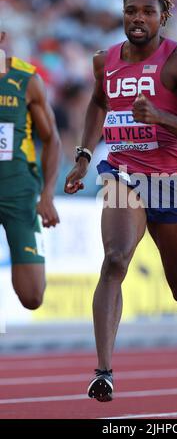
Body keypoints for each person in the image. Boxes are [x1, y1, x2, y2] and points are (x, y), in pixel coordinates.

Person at [65, 0, 177, 402]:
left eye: (148, 12)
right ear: (123, 13)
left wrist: (163, 117)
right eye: (132, 11)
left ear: (162, 18)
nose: (138, 19)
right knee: (114, 260)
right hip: (122, 174)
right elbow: (99, 102)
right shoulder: (105, 61)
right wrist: (82, 157)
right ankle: (104, 372)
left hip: (170, 181)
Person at [0, 30, 61, 310]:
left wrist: (47, 195)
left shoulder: (26, 80)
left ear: (2, 38)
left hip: (19, 192)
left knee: (32, 295)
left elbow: (51, 139)